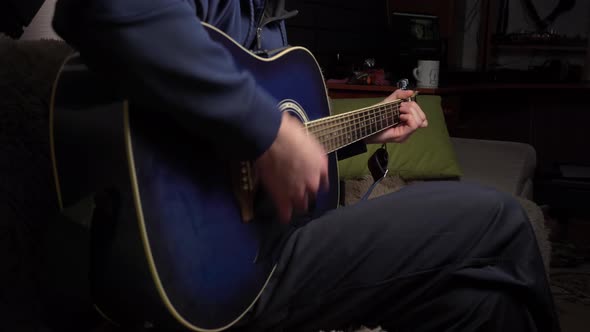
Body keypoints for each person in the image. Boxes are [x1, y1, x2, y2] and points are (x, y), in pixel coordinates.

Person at [52, 0, 560, 331]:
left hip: (272, 247)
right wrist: (268, 134)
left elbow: (258, 163)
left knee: (488, 308)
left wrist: (360, 133)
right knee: (503, 220)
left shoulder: (273, 28)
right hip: (216, 279)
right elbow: (105, 10)